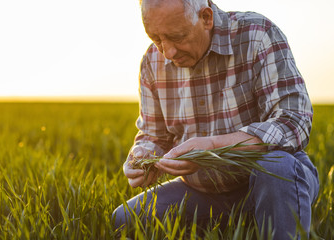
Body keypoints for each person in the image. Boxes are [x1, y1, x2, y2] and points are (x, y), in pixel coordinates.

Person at [112, 0, 319, 239]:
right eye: (155, 38)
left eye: (177, 37)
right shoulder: (151, 62)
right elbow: (153, 135)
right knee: (124, 219)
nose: (167, 52)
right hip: (202, 191)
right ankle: (241, 224)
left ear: (206, 18)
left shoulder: (257, 34)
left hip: (271, 182)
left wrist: (212, 147)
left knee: (276, 165)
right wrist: (142, 157)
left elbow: (294, 122)